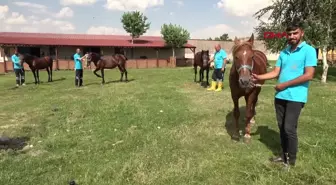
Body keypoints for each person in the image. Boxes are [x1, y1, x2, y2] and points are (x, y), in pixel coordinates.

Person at [251, 21, 317, 170]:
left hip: (296, 97)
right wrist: (258, 77)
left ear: (302, 33)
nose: (292, 36)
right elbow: (275, 72)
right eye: (289, 34)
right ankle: (283, 155)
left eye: (295, 33)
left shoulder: (309, 50)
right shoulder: (284, 52)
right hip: (280, 96)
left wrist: (285, 85)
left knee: (289, 128)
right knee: (282, 128)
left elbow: (309, 75)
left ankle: (291, 161)